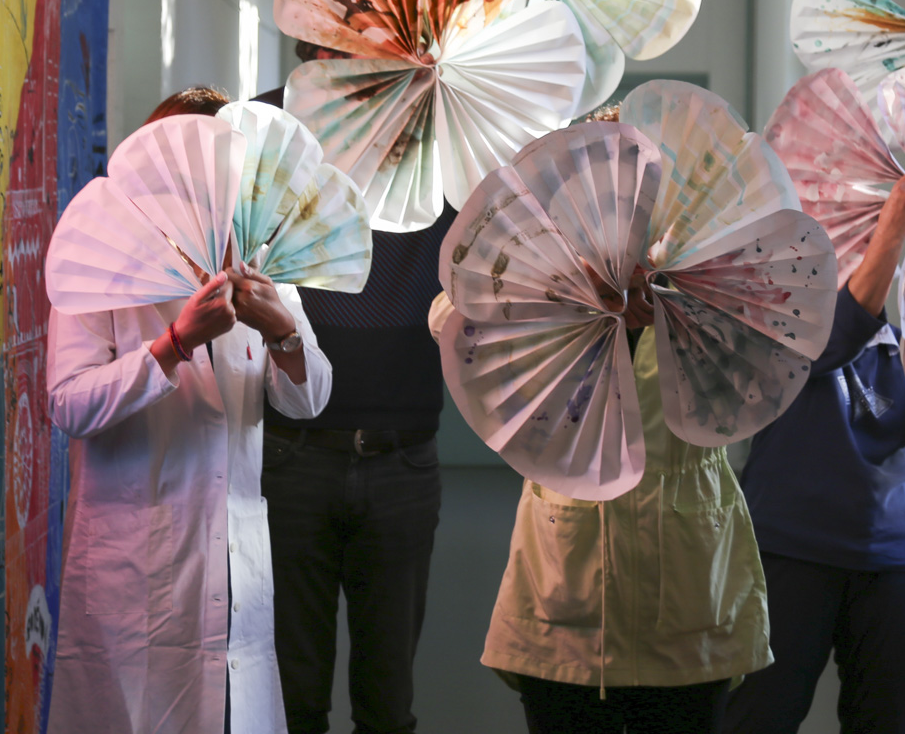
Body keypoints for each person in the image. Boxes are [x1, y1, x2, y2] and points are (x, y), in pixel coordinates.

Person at [468, 106, 771, 734]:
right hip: (568, 602)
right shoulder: (545, 283)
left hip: (687, 590)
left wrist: (676, 307)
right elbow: (455, 313)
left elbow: (763, 360)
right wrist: (569, 297)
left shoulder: (709, 286)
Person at [47, 86, 333, 734]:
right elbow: (68, 403)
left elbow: (309, 397)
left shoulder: (256, 256)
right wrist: (174, 344)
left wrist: (283, 332)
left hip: (232, 565)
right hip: (135, 565)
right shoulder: (101, 257)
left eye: (221, 164)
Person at [726, 23, 905, 734]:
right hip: (791, 539)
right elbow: (822, 345)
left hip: (903, 548)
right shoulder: (778, 268)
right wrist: (887, 237)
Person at [254, 44, 454, 734]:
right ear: (309, 47)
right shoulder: (271, 129)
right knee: (292, 696)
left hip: (403, 451)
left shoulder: (445, 132)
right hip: (290, 449)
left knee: (387, 702)